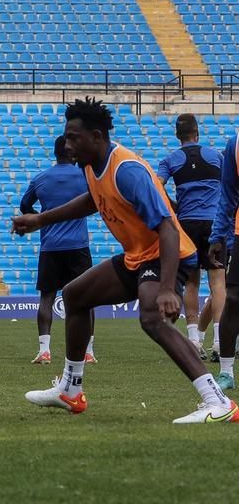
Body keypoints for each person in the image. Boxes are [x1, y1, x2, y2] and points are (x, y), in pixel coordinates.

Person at [14, 97, 235, 424]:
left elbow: (168, 228)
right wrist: (40, 220)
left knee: (152, 317)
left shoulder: (127, 169)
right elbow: (93, 200)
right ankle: (70, 390)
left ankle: (218, 401)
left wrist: (167, 289)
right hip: (138, 256)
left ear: (97, 137)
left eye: (74, 137)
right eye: (67, 137)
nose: (67, 144)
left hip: (165, 254)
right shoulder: (91, 166)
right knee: (75, 295)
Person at [18, 136, 95, 365]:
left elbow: (24, 206)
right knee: (86, 299)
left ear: (55, 153)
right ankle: (88, 352)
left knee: (47, 298)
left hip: (50, 246)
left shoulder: (41, 178)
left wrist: (41, 219)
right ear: (72, 153)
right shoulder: (84, 176)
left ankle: (44, 351)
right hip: (78, 246)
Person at [158, 113, 225, 361]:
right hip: (214, 223)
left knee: (191, 282)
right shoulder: (216, 156)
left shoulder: (170, 160)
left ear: (178, 136)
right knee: (218, 282)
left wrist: (173, 206)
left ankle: (194, 341)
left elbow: (156, 186)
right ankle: (219, 342)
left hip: (186, 224)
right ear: (197, 133)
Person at [207, 129, 239, 391]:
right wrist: (217, 236)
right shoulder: (235, 145)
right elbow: (228, 195)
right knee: (234, 300)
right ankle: (226, 372)